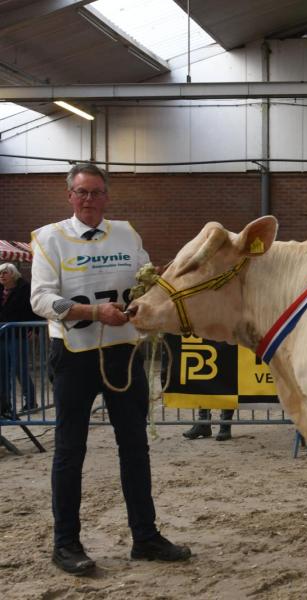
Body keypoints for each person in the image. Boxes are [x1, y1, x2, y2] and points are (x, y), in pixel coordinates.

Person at [30, 163, 190, 575]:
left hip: (125, 354)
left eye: (96, 192)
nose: (88, 199)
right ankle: (65, 544)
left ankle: (146, 536)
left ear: (106, 196)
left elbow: (145, 278)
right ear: (70, 195)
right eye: (81, 192)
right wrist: (92, 312)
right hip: (74, 356)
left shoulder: (126, 233)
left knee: (135, 448)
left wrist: (144, 301)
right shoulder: (50, 238)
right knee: (70, 451)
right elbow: (42, 300)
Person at [0, 262, 40, 417]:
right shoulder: (1, 291)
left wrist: (35, 329)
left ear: (14, 274)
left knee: (19, 368)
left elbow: (35, 309)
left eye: (5, 273)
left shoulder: (25, 289)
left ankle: (30, 401)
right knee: (2, 371)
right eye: (0, 273)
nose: (2, 276)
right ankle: (5, 405)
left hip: (18, 333)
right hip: (2, 334)